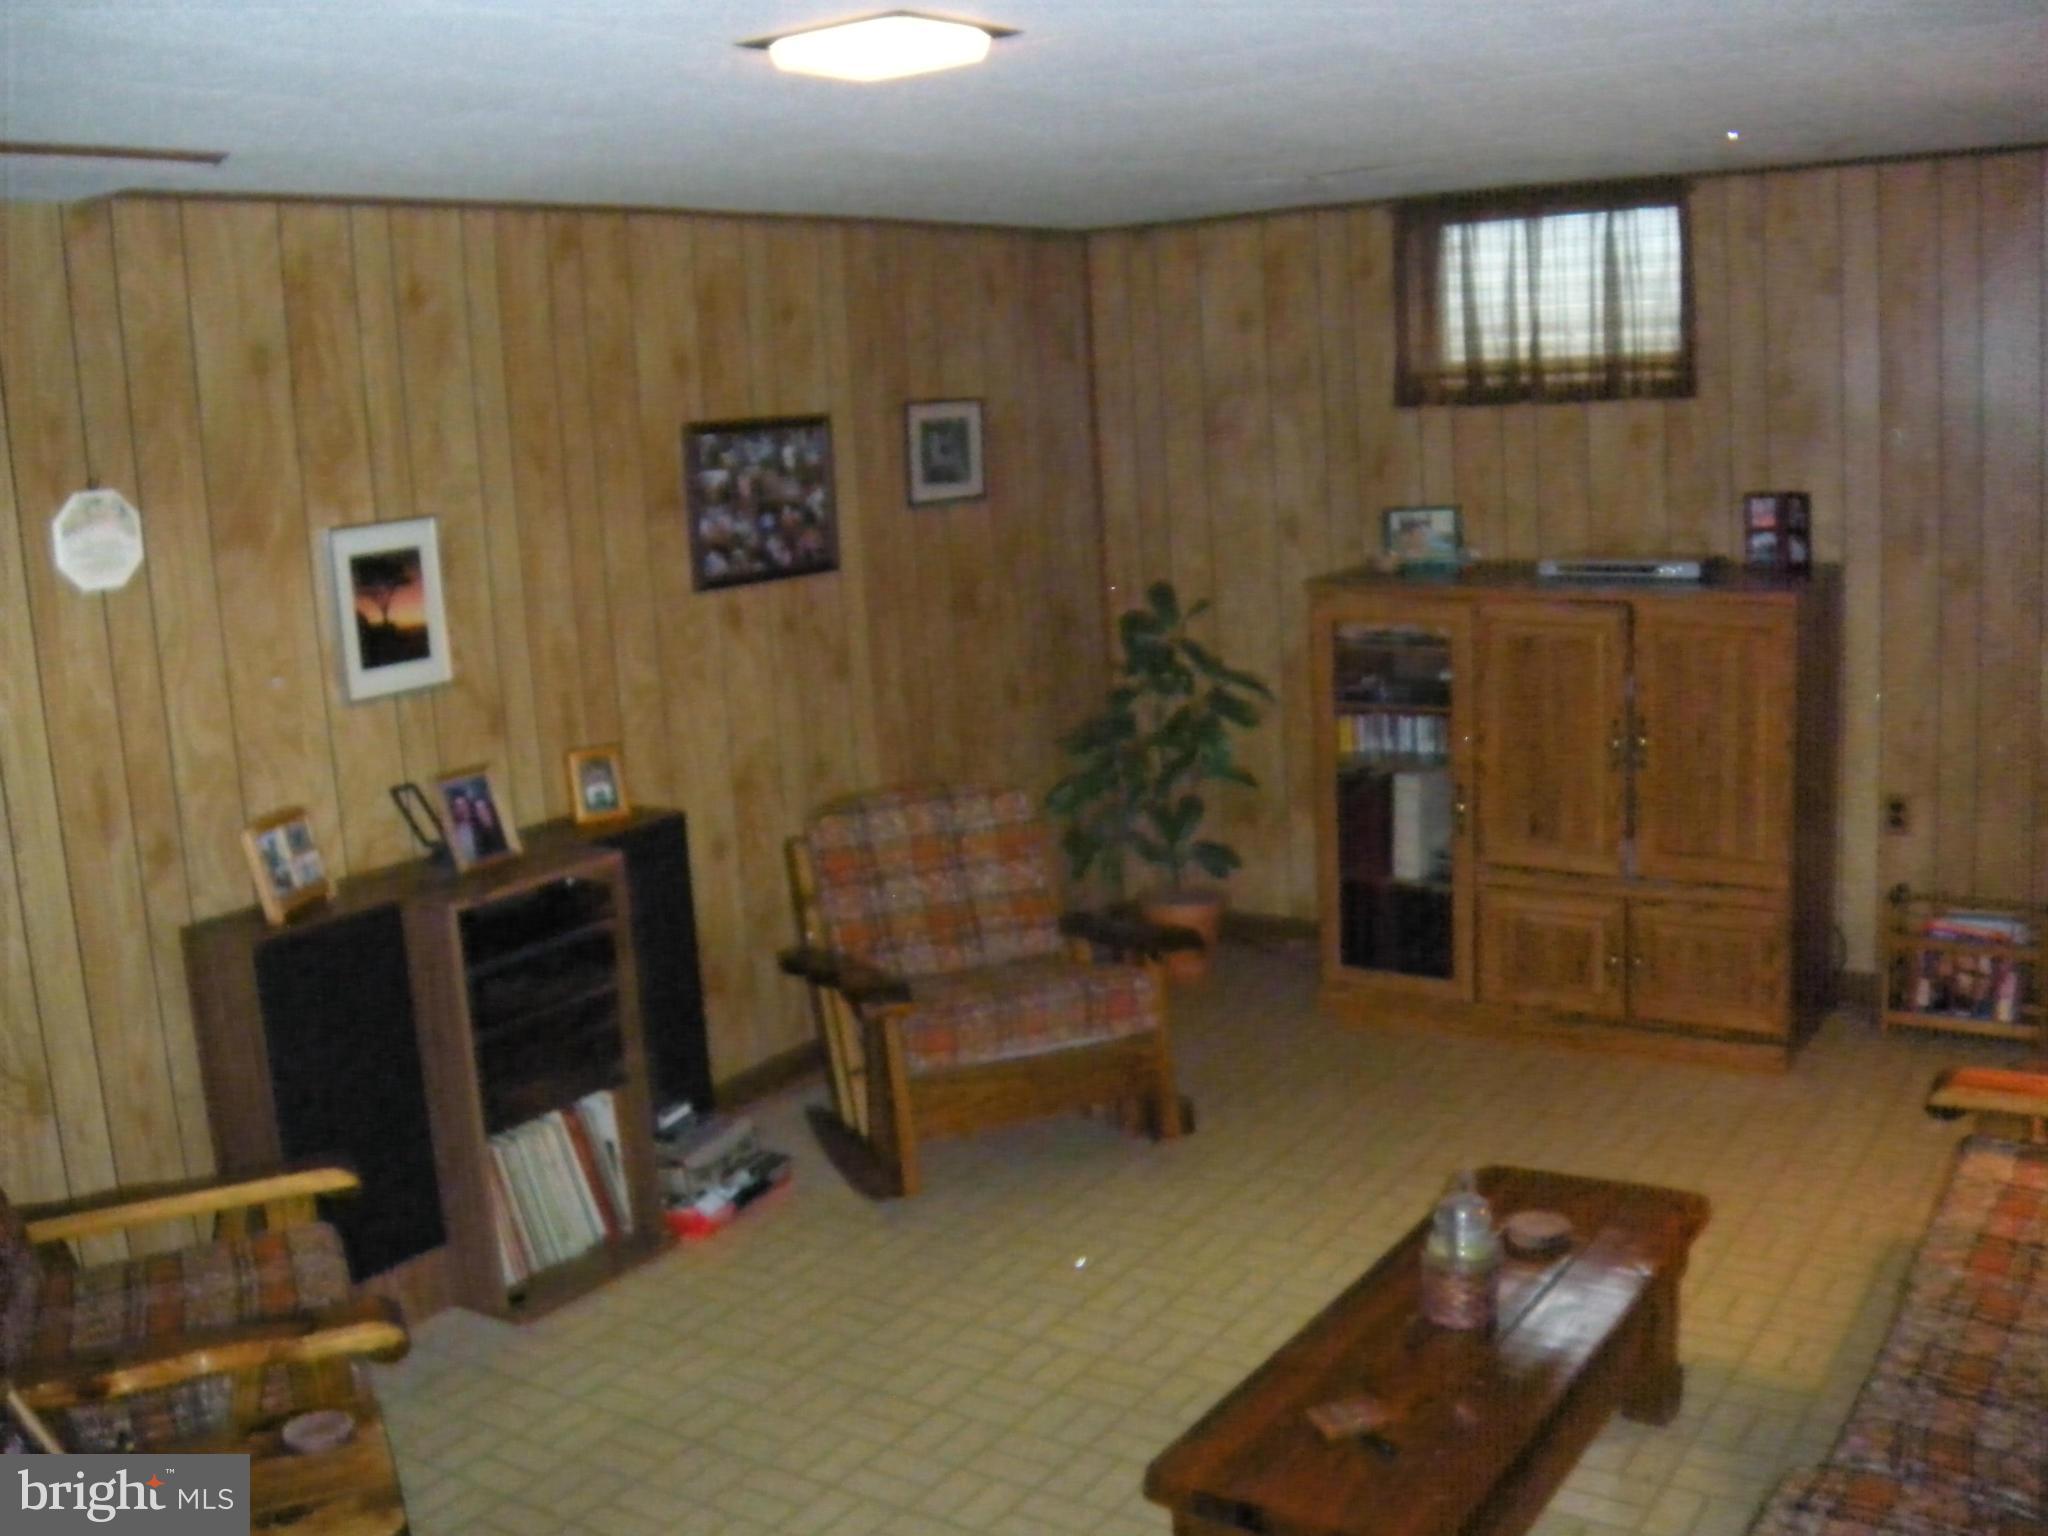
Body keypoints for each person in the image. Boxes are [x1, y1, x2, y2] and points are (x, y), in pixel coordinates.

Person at [446, 790, 479, 864]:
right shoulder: (454, 831)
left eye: (464, 804)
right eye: (458, 806)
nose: (463, 809)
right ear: (454, 810)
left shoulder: (478, 824)